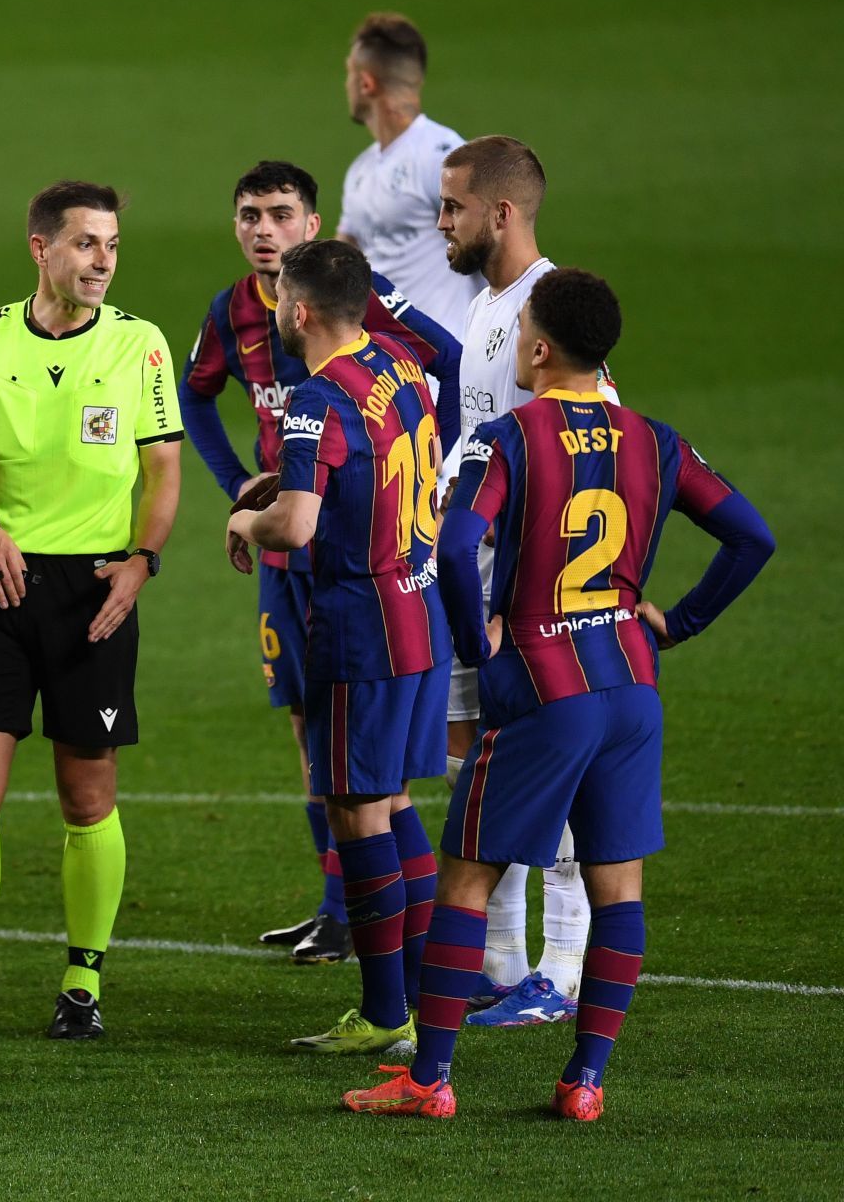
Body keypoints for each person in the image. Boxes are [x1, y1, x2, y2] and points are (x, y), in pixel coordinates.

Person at [342, 269, 774, 1120]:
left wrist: (477, 642)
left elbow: (459, 539)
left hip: (543, 687)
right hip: (631, 686)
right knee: (621, 889)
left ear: (537, 350)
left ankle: (428, 1079)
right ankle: (585, 1082)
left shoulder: (513, 435)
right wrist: (675, 622)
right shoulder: (657, 440)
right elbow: (751, 537)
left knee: (466, 879)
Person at [181, 161, 461, 965]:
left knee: (367, 770)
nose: (262, 230)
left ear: (312, 226)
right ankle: (342, 909)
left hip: (351, 552)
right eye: (247, 216)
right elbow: (196, 396)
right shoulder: (231, 313)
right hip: (295, 551)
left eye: (279, 214)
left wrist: (420, 468)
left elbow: (447, 359)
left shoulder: (354, 306)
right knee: (316, 733)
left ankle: (378, 948)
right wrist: (240, 483)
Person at [0, 181, 181, 1043]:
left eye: (111, 243)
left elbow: (164, 469)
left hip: (94, 593)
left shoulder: (141, 345)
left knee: (88, 791)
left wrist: (142, 563)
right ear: (41, 249)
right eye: (85, 243)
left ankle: (83, 979)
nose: (102, 260)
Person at [224, 239, 446, 1057]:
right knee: (390, 802)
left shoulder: (315, 398)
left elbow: (298, 526)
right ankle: (425, 999)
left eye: (281, 296)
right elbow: (364, 470)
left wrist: (252, 519)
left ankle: (388, 1013)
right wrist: (283, 482)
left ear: (302, 310)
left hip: (362, 624)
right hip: (422, 610)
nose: (274, 308)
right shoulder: (393, 359)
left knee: (355, 812)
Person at [436, 135, 601, 1024]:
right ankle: (499, 963)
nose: (442, 221)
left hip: (531, 594)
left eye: (454, 206)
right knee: (478, 761)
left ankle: (562, 972)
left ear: (501, 212)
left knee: (553, 768)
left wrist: (534, 598)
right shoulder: (488, 307)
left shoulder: (551, 309)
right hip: (474, 573)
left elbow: (588, 439)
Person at [337, 13, 484, 335]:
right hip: (387, 373)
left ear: (365, 82)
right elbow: (344, 258)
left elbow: (496, 244)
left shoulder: (442, 157)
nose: (345, 83)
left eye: (349, 72)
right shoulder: (360, 170)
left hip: (443, 371)